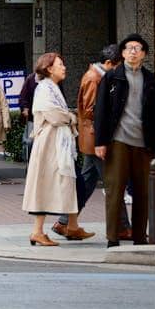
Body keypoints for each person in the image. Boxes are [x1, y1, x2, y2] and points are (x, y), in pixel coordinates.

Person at [94, 34, 155, 248]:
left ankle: (140, 236)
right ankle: (113, 238)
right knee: (115, 190)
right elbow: (100, 111)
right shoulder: (112, 78)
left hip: (143, 142)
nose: (133, 51)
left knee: (142, 192)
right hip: (118, 141)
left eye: (138, 48)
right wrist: (100, 142)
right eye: (129, 48)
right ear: (122, 53)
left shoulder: (150, 79)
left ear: (144, 54)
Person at [55, 44, 129, 241]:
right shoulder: (94, 78)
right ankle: (122, 226)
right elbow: (90, 110)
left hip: (93, 138)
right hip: (96, 138)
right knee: (114, 181)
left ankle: (63, 223)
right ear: (107, 63)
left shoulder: (99, 76)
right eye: (118, 65)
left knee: (87, 182)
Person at [22, 52, 92, 246]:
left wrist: (68, 116)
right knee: (45, 186)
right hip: (49, 147)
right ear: (49, 68)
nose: (64, 67)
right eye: (60, 64)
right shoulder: (44, 88)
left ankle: (72, 225)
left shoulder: (53, 87)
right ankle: (37, 231)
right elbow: (55, 116)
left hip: (59, 145)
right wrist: (70, 117)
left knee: (75, 183)